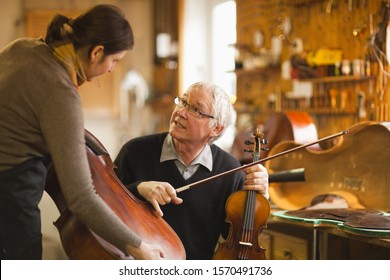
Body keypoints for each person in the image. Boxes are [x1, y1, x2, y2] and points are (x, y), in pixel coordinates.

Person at [0, 4, 164, 260]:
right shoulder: (61, 93)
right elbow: (81, 199)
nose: (112, 69)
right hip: (10, 204)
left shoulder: (22, 47)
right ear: (97, 52)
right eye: (115, 60)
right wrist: (136, 246)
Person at [114, 81, 269, 260]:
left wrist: (261, 196)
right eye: (183, 102)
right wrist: (140, 188)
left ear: (216, 128)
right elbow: (105, 204)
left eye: (195, 110)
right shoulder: (134, 152)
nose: (180, 112)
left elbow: (239, 237)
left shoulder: (230, 171)